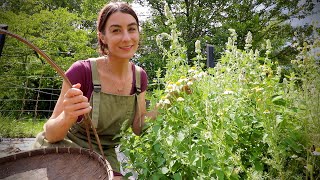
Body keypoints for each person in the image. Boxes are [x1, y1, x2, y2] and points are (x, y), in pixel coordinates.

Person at [33, 1, 157, 178]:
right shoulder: (82, 72)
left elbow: (138, 126)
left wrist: (169, 101)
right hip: (65, 148)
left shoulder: (139, 77)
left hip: (103, 153)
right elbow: (52, 134)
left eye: (132, 29)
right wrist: (67, 116)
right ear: (102, 37)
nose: (127, 38)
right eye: (116, 30)